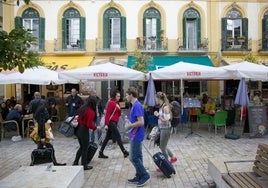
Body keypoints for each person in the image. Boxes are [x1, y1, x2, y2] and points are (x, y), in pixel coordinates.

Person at [125, 88, 150, 187]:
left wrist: (129, 126)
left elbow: (141, 122)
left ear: (131, 95)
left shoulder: (137, 105)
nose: (126, 97)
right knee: (138, 157)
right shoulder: (135, 105)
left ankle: (144, 175)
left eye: (127, 95)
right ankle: (139, 175)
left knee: (133, 157)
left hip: (137, 135)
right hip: (135, 134)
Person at [34, 99, 66, 166]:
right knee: (50, 148)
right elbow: (41, 124)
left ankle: (33, 163)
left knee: (40, 148)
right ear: (52, 104)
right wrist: (42, 137)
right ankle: (55, 163)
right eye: (54, 105)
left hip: (41, 132)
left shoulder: (43, 108)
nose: (54, 107)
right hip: (42, 133)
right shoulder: (44, 110)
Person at [98, 90, 129, 159]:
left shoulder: (116, 103)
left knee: (107, 138)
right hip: (111, 122)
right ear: (114, 96)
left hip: (113, 122)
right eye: (118, 96)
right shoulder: (111, 103)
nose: (119, 97)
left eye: (119, 96)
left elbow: (119, 113)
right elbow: (107, 114)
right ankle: (124, 152)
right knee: (118, 136)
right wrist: (106, 124)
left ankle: (100, 152)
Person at [73, 96, 101, 170]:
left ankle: (75, 162)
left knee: (81, 147)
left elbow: (79, 119)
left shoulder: (82, 108)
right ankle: (84, 165)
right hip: (84, 130)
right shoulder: (91, 112)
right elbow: (89, 124)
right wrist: (96, 128)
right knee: (85, 148)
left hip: (78, 128)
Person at [154, 92, 177, 171]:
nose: (155, 100)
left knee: (162, 147)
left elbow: (166, 121)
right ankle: (173, 158)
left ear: (159, 99)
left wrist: (158, 115)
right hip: (162, 128)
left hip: (166, 129)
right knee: (163, 145)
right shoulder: (162, 106)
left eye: (155, 98)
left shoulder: (165, 108)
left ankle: (166, 164)